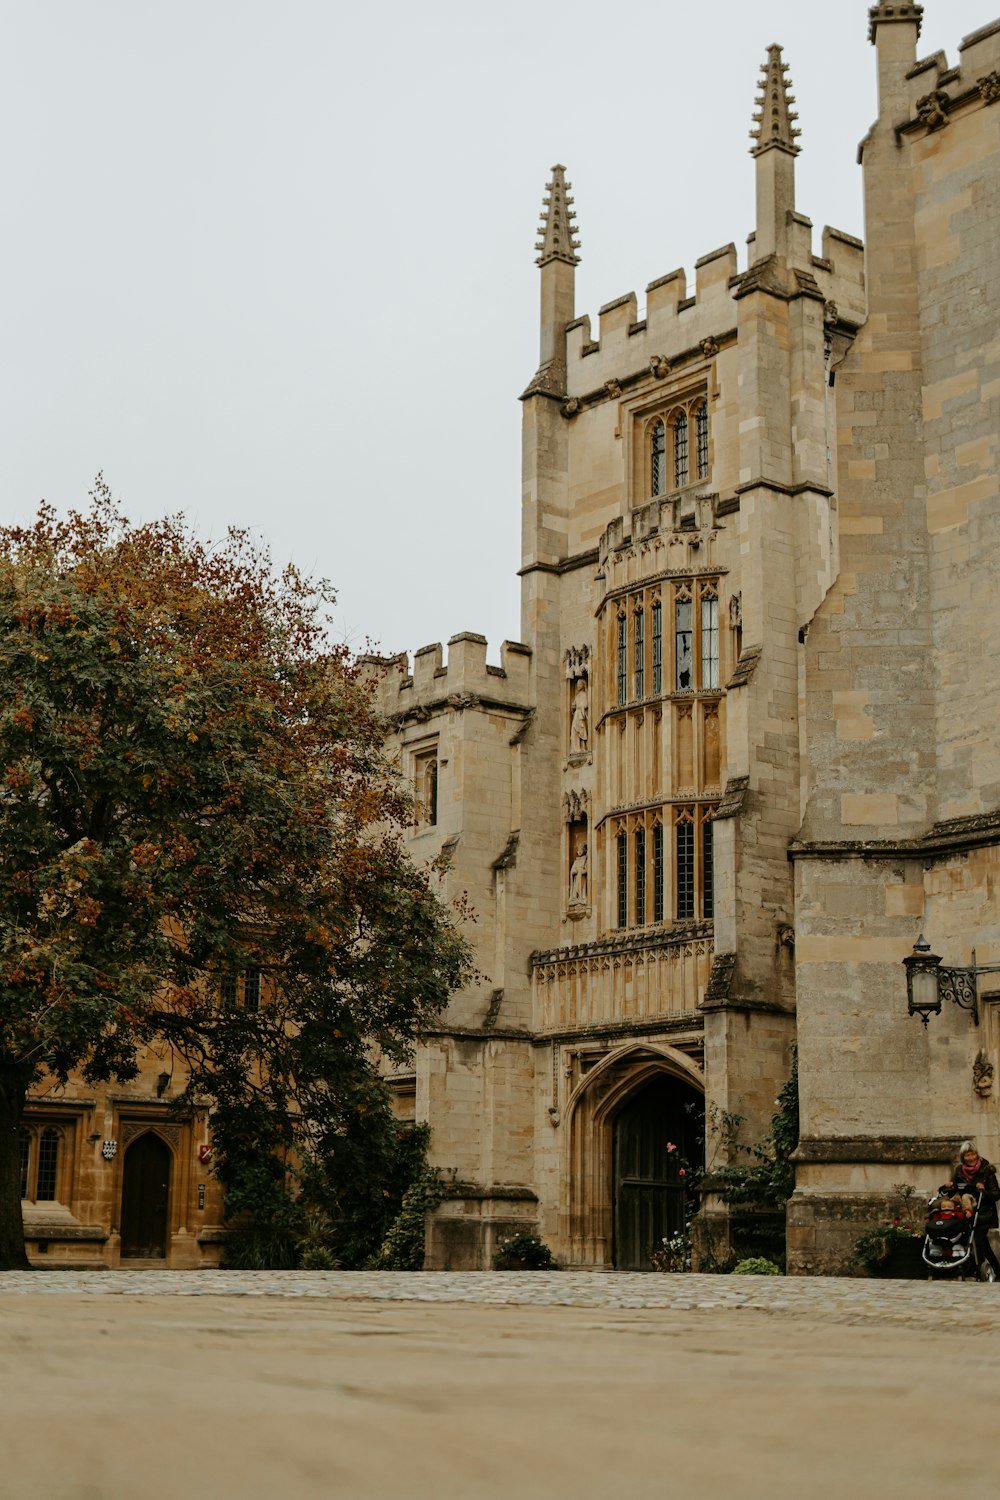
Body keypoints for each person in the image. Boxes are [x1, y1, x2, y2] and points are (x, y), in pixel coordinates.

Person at [941, 1140, 1000, 1279]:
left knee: (979, 1241)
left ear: (976, 1154)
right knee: (976, 1243)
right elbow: (953, 1192)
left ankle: (980, 1270)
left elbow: (997, 1194)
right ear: (963, 1158)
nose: (971, 1158)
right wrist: (949, 1187)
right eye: (967, 1155)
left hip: (984, 1213)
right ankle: (986, 1270)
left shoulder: (987, 1171)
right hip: (966, 1214)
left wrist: (983, 1192)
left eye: (973, 1154)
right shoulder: (959, 1171)